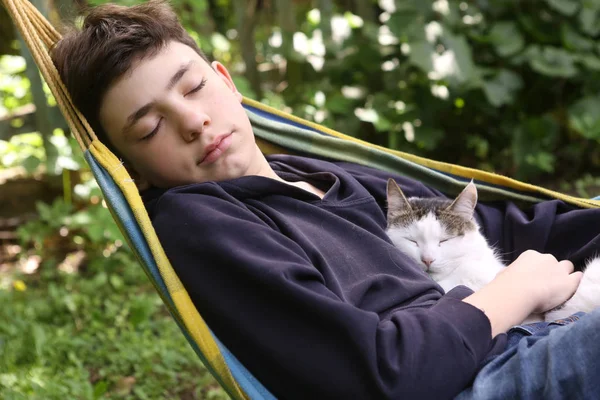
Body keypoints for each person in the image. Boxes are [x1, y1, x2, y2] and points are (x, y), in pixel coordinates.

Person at [50, 1, 600, 398]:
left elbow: (510, 225)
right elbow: (388, 376)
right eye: (149, 129)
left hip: (531, 332)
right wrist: (519, 288)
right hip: (484, 375)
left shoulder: (318, 173)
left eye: (193, 88)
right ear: (132, 171)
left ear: (226, 81)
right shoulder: (205, 223)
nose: (193, 122)